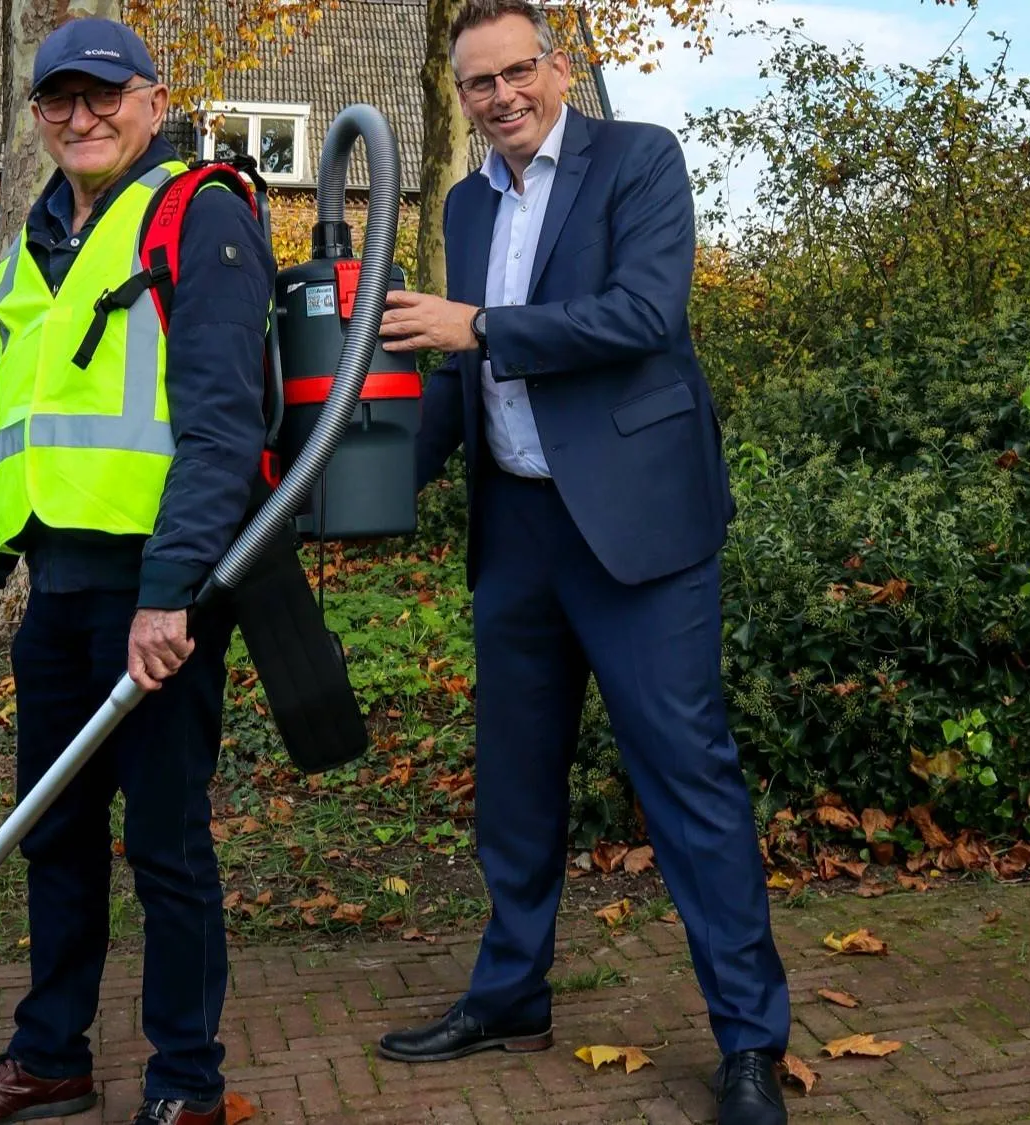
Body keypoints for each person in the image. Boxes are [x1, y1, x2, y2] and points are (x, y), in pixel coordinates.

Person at [372, 1, 792, 1121]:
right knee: (512, 786)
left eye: (518, 72)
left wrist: (482, 328)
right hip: (515, 534)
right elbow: (455, 379)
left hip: (638, 533)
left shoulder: (638, 160)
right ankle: (510, 993)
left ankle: (749, 1041)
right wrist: (355, 491)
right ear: (457, 97)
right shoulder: (464, 203)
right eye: (477, 83)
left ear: (556, 70)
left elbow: (642, 315)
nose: (501, 96)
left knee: (686, 781)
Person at [0, 17, 275, 1125]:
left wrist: (169, 594)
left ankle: (186, 1085)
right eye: (58, 100)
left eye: (103, 95)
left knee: (164, 844)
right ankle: (51, 1056)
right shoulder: (38, 242)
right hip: (59, 598)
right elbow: (16, 430)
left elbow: (222, 427)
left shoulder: (198, 218)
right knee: (56, 835)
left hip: (158, 593)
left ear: (151, 101)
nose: (81, 116)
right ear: (36, 116)